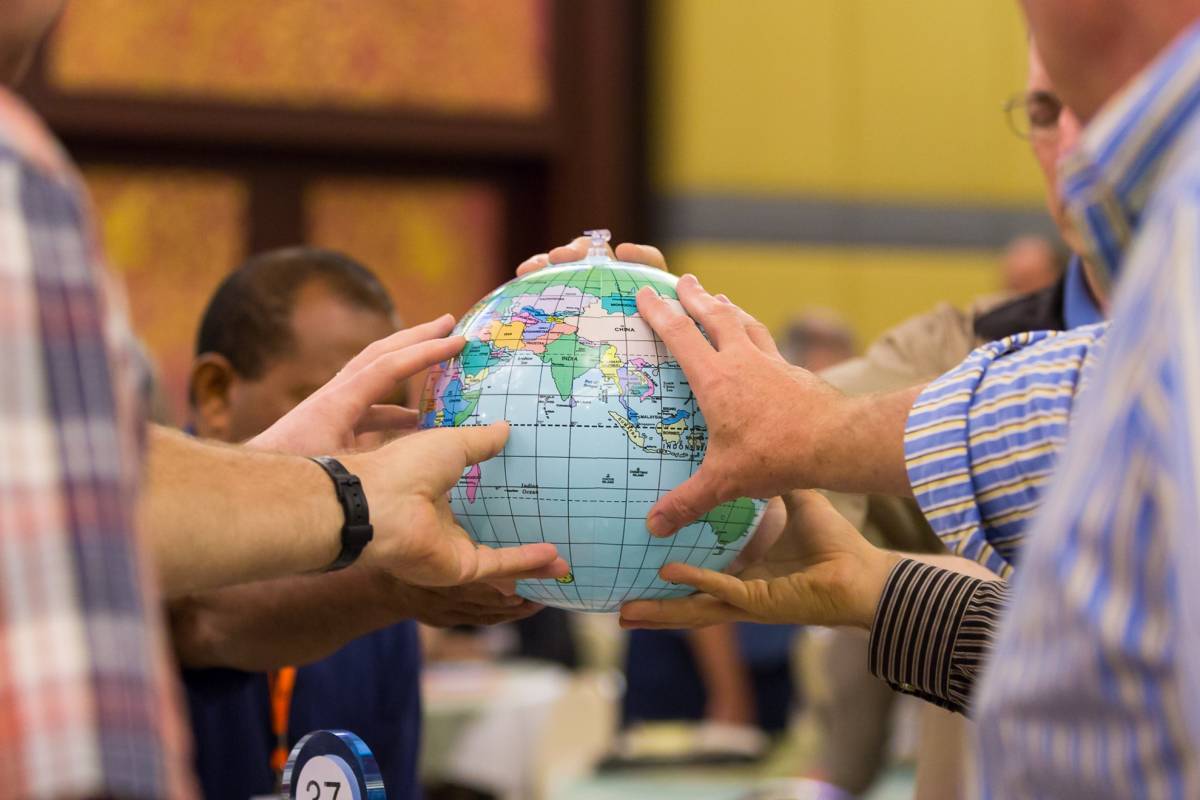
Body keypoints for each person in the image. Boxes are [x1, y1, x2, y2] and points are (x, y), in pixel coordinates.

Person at [625, 0, 1200, 793]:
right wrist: (637, 370)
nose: (1071, 140)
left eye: (1087, 108)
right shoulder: (950, 347)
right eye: (1041, 111)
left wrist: (817, 439)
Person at [0, 5, 565, 796]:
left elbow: (107, 511)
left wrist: (360, 529)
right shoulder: (18, 177)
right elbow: (181, 602)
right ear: (214, 391)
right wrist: (360, 506)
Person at [173, 248, 543, 799]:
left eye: (385, 413)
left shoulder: (389, 567)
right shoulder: (146, 541)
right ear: (216, 393)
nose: (370, 454)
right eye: (335, 405)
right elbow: (200, 618)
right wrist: (383, 588)